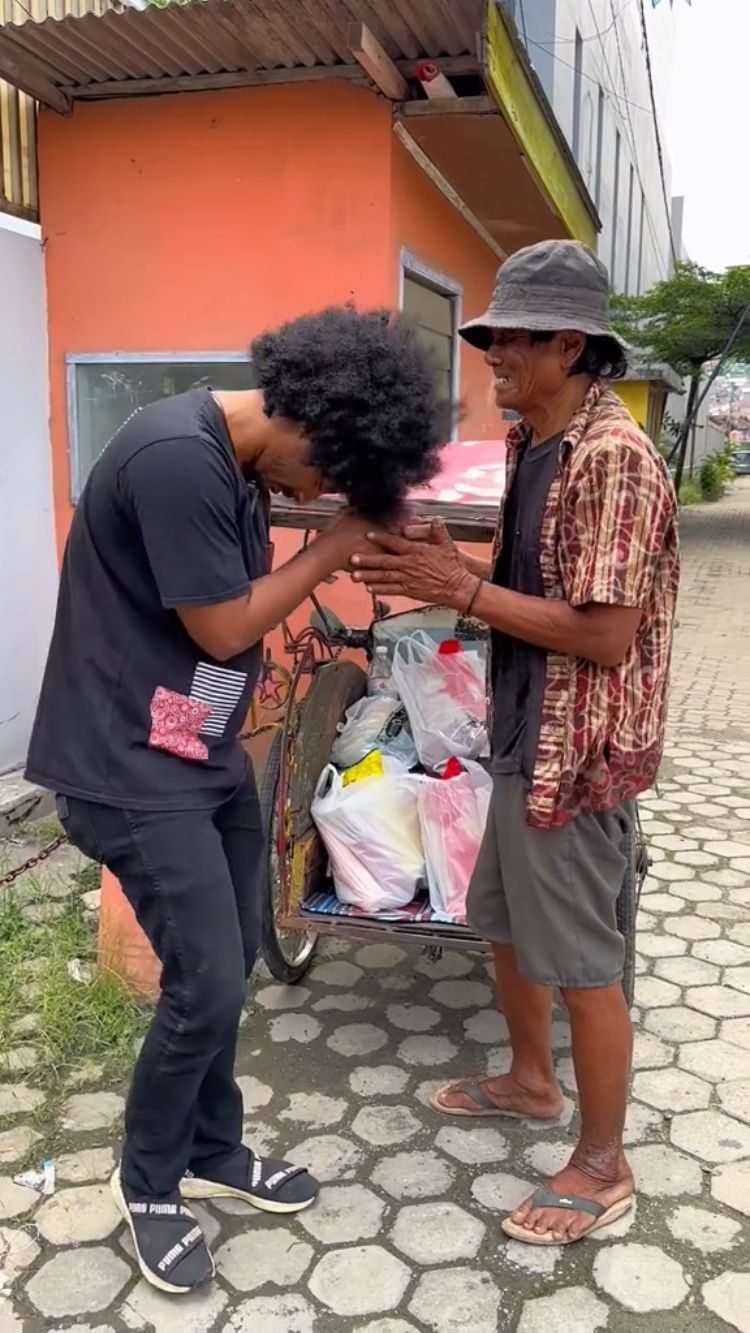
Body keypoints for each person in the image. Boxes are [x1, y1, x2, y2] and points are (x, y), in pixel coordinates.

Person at [26, 306, 446, 1294]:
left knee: (235, 959)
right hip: (130, 768)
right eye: (330, 474)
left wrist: (359, 529)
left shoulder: (239, 462)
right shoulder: (176, 458)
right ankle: (150, 1183)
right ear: (310, 427)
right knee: (205, 982)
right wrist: (336, 545)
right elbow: (220, 630)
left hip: (199, 755)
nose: (318, 494)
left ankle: (215, 1148)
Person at [351, 241, 680, 1246]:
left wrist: (463, 593)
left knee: (585, 962)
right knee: (498, 920)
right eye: (488, 335)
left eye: (513, 339)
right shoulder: (538, 442)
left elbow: (605, 632)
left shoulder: (613, 460)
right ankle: (532, 1083)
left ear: (570, 343)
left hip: (577, 756)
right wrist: (463, 566)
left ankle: (602, 1162)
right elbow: (535, 574)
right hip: (521, 730)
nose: (492, 353)